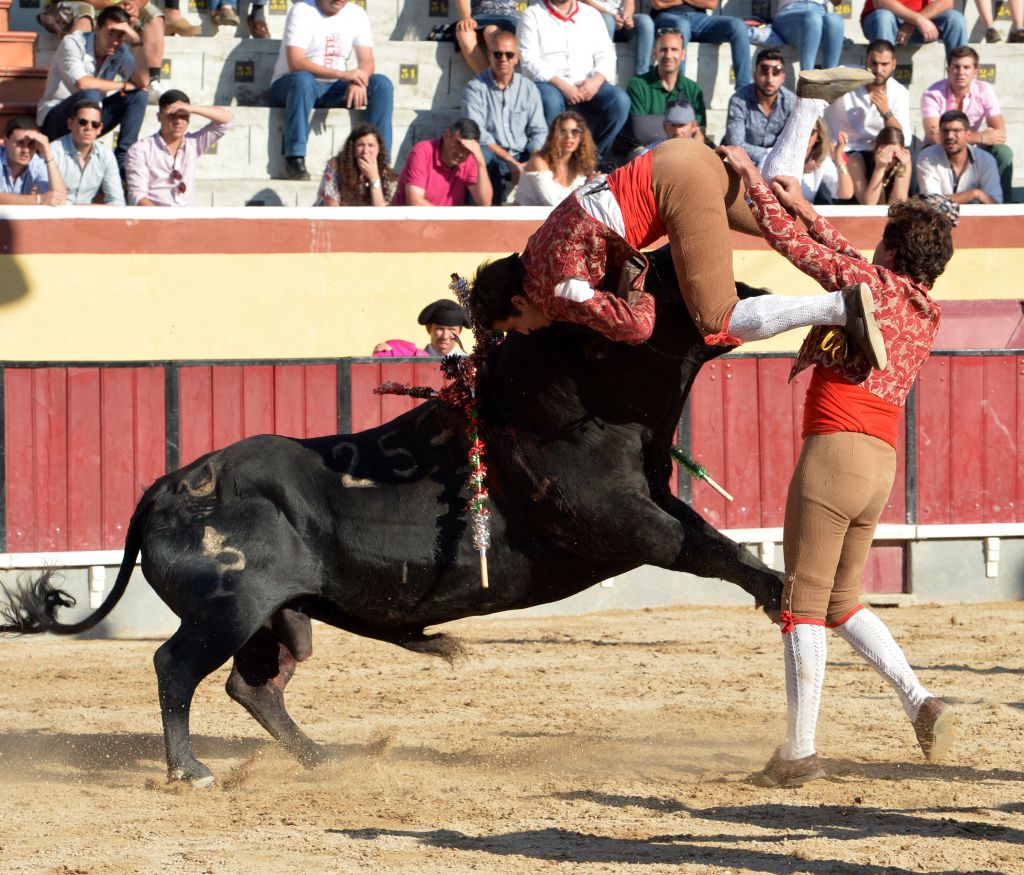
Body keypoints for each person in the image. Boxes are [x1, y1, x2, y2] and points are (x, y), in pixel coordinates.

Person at [718, 146, 957, 788]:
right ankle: (920, 701)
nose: (873, 249)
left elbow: (807, 256)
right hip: (878, 462)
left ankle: (798, 753)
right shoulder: (922, 308)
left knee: (801, 604)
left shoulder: (871, 287)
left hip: (835, 452)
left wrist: (749, 180)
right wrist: (807, 206)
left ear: (895, 254)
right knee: (841, 601)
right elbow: (848, 259)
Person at [471, 69, 884, 363]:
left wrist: (642, 294)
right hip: (678, 155)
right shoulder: (533, 249)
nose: (526, 332)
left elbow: (636, 328)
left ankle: (840, 308)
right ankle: (808, 102)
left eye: (516, 325)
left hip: (673, 190)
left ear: (519, 300)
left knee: (717, 319)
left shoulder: (555, 291)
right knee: (778, 219)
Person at [269, 0, 394, 181]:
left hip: (334, 86)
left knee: (381, 85)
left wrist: (358, 80)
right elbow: (296, 62)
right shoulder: (302, 11)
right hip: (292, 85)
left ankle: (380, 162)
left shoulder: (356, 14)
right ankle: (294, 157)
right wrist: (344, 75)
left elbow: (367, 61)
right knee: (303, 80)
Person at [37, 5, 149, 173]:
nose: (115, 41)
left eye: (120, 35)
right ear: (97, 28)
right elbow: (83, 83)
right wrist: (123, 85)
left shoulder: (121, 50)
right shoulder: (74, 42)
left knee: (138, 95)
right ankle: (79, 157)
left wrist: (136, 43)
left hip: (90, 120)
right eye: (110, 33)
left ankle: (123, 161)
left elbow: (143, 82)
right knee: (90, 94)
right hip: (55, 119)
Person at [516, 0, 631, 160]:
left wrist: (596, 81)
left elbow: (606, 54)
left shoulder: (591, 14)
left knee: (620, 101)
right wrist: (563, 85)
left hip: (587, 83)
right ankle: (556, 160)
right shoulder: (532, 14)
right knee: (550, 101)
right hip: (551, 83)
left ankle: (592, 158)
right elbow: (528, 59)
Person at [461, 31, 548, 205]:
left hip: (523, 154)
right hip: (493, 155)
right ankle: (486, 213)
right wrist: (509, 160)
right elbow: (477, 134)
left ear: (517, 58)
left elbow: (539, 130)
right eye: (498, 54)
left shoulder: (528, 88)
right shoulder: (475, 88)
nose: (503, 59)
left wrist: (533, 159)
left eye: (509, 55)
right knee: (480, 156)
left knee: (546, 157)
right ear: (489, 55)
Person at [920, 46, 1014, 205]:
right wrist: (980, 136)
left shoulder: (984, 90)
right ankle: (931, 209)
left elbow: (1000, 134)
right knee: (927, 152)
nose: (960, 72)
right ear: (947, 69)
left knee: (1003, 152)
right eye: (956, 67)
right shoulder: (932, 93)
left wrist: (968, 139)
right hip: (941, 148)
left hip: (973, 149)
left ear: (975, 71)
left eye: (966, 67)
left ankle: (1003, 209)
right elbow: (934, 137)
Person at [124, 89, 234, 207]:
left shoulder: (193, 143)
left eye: (183, 115)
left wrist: (192, 108)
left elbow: (227, 120)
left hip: (187, 220)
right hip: (155, 219)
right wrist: (164, 222)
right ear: (159, 117)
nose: (178, 121)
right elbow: (138, 197)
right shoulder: (140, 150)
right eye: (172, 116)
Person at [824, 39, 910, 184]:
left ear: (893, 64)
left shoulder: (899, 92)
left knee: (906, 159)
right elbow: (817, 101)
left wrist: (886, 112)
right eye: (874, 63)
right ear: (866, 62)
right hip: (840, 150)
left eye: (884, 64)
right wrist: (826, 147)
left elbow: (904, 138)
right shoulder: (846, 76)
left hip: (876, 152)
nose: (878, 70)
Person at [627, 27, 706, 146]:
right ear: (655, 53)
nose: (668, 55)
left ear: (683, 54)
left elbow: (699, 134)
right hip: (645, 151)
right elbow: (641, 134)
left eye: (674, 49)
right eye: (663, 50)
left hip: (685, 150)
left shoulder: (693, 89)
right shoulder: (638, 85)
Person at [74, 0, 166, 100]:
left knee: (154, 16)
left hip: (120, 9)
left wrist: (135, 5)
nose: (115, 42)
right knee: (85, 13)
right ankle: (82, 71)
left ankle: (153, 81)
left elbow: (142, 83)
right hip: (84, 4)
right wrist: (112, 6)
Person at [649, 0, 752, 88]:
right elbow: (658, 3)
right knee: (682, 26)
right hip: (668, 17)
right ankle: (676, 92)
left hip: (700, 19)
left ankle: (744, 92)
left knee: (738, 26)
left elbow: (711, 3)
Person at [391, 119, 493, 207]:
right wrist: (448, 221)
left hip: (444, 226)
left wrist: (481, 163)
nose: (461, 153)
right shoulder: (422, 151)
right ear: (446, 135)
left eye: (467, 149)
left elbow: (485, 203)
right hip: (407, 225)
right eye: (458, 144)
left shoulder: (469, 158)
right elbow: (415, 202)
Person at [723, 49, 795, 166]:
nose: (770, 79)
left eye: (776, 73)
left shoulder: (791, 102)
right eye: (764, 71)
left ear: (783, 77)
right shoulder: (739, 100)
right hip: (743, 164)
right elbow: (736, 145)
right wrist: (769, 154)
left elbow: (792, 145)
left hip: (778, 164)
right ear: (755, 75)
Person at [916, 109, 1002, 204]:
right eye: (945, 131)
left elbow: (995, 204)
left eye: (956, 131)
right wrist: (974, 194)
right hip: (939, 218)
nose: (950, 136)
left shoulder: (986, 160)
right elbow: (932, 202)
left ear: (967, 134)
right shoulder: (928, 157)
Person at [513, 110, 596, 206]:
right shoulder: (539, 162)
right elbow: (553, 204)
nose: (569, 136)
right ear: (554, 135)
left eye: (575, 132)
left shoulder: (580, 167)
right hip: (522, 219)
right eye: (562, 131)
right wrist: (587, 187)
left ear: (581, 137)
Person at [50, 99, 125, 205]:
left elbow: (117, 200)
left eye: (94, 124)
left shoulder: (106, 155)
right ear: (70, 123)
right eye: (82, 122)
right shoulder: (53, 152)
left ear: (99, 129)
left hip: (90, 217)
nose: (88, 128)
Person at [315, 123, 395, 206]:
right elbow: (332, 206)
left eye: (371, 145)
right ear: (353, 147)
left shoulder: (384, 171)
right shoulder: (336, 166)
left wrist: (374, 177)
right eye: (361, 145)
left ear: (378, 149)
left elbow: (381, 211)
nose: (366, 151)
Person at [860, 0, 967, 56]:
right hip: (880, 21)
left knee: (956, 19)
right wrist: (917, 20)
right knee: (883, 17)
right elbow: (881, 2)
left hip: (917, 24)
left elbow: (946, 2)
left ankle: (962, 89)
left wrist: (912, 23)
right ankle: (881, 87)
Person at [0, 117, 67, 206]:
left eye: (31, 144)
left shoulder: (37, 162)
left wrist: (48, 154)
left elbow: (59, 198)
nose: (26, 150)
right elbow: (42, 199)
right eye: (20, 143)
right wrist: (38, 200)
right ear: (5, 142)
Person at [579, 0, 656, 77]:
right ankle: (603, 75)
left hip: (619, 19)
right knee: (608, 20)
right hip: (598, 17)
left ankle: (642, 76)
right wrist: (611, 15)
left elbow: (629, 2)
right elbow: (586, 1)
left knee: (645, 22)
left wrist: (627, 17)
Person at [373, 299, 471, 357]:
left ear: (459, 332)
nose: (445, 336)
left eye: (451, 330)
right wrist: (387, 354)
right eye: (439, 329)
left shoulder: (468, 365)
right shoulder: (410, 358)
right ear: (429, 329)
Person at [770, 0, 845, 71]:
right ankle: (807, 79)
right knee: (813, 19)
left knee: (835, 20)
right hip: (790, 12)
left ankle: (829, 78)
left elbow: (836, 2)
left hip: (820, 11)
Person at [847, 126, 912, 205]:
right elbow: (868, 204)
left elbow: (899, 203)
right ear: (876, 147)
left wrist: (901, 168)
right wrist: (879, 169)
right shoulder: (856, 161)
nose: (890, 159)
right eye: (886, 153)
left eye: (894, 154)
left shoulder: (904, 160)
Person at [454, 0, 519, 76]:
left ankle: (500, 80)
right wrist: (465, 17)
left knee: (491, 31)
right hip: (480, 16)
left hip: (507, 16)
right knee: (464, 33)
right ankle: (489, 80)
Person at [800, 120, 853, 205]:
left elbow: (845, 194)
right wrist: (800, 170)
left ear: (818, 137)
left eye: (811, 131)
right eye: (801, 130)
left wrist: (839, 158)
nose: (804, 135)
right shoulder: (773, 153)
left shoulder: (822, 161)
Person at [632, 99, 702, 158]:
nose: (677, 131)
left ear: (694, 126)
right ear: (665, 126)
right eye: (673, 125)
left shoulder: (702, 154)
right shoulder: (648, 155)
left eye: (682, 125)